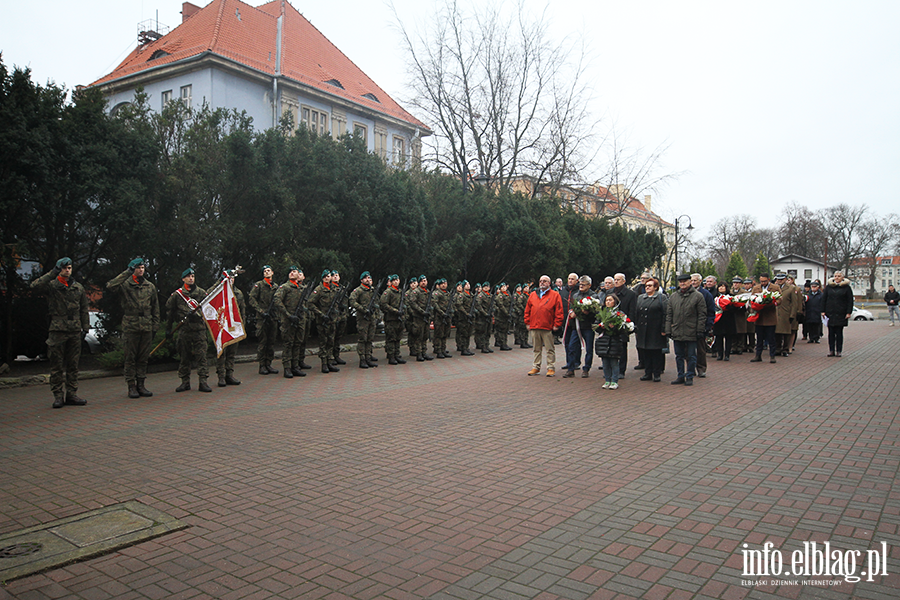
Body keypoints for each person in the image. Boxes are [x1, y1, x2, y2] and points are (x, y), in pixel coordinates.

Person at [31, 257, 90, 408]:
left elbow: (84, 308)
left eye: (69, 268)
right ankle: (58, 395)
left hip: (74, 329)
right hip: (58, 329)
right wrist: (53, 272)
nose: (67, 270)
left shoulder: (78, 287)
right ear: (59, 269)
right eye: (64, 268)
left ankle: (72, 394)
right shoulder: (52, 285)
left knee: (73, 365)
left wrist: (85, 327)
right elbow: (34, 286)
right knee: (56, 365)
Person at [106, 258, 160, 398]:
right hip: (131, 324)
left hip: (146, 324)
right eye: (138, 268)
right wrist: (126, 273)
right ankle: (131, 386)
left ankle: (141, 384)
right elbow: (110, 286)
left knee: (143, 358)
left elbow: (155, 308)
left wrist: (155, 325)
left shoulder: (150, 286)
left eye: (142, 267)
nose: (141, 270)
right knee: (130, 357)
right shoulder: (125, 284)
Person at [165, 268, 211, 392]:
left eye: (193, 276)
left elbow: (208, 309)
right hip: (184, 330)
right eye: (188, 276)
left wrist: (198, 315)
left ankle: (203, 381)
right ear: (183, 279)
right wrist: (168, 329)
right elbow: (170, 312)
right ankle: (185, 382)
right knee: (184, 356)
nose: (191, 278)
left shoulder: (201, 293)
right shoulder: (177, 295)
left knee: (202, 356)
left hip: (199, 330)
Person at [665, 273, 706, 386]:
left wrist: (700, 330)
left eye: (685, 281)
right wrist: (668, 329)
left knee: (692, 355)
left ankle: (690, 376)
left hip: (691, 330)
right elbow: (669, 314)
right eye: (681, 282)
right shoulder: (674, 296)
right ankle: (680, 376)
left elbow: (702, 315)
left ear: (690, 282)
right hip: (677, 330)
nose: (682, 283)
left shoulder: (698, 296)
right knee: (679, 356)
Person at [524, 275, 564, 377]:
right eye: (541, 281)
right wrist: (527, 322)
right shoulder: (533, 294)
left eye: (545, 281)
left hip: (547, 327)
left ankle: (551, 368)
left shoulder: (555, 295)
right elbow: (527, 310)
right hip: (534, 326)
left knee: (549, 349)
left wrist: (557, 324)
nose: (542, 282)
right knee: (536, 348)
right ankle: (536, 367)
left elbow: (559, 311)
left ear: (549, 283)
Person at [273, 266, 307, 378]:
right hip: (288, 320)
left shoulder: (301, 288)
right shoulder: (285, 287)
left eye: (295, 271)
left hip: (299, 319)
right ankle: (287, 368)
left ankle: (295, 366)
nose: (292, 273)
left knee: (297, 343)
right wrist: (287, 314)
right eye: (291, 272)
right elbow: (277, 300)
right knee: (288, 344)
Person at [594, 293, 631, 390]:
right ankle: (607, 380)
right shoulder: (602, 313)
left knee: (614, 362)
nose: (608, 302)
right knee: (605, 363)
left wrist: (614, 328)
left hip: (615, 341)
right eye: (606, 300)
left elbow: (623, 328)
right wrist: (600, 327)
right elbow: (596, 327)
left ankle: (614, 380)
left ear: (615, 301)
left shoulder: (619, 313)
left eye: (610, 300)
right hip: (604, 341)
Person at [564, 275, 598, 378]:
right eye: (580, 284)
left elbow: (596, 312)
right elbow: (573, 308)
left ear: (589, 285)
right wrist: (573, 313)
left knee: (588, 349)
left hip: (588, 326)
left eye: (584, 285)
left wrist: (588, 312)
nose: (581, 286)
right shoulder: (575, 295)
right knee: (571, 347)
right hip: (576, 326)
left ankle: (586, 369)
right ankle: (571, 368)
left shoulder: (594, 296)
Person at [248, 265, 280, 374]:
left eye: (268, 271)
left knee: (271, 342)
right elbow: (252, 299)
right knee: (263, 342)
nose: (267, 272)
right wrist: (261, 311)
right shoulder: (259, 285)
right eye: (265, 271)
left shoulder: (275, 287)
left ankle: (269, 364)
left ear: (272, 272)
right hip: (262, 318)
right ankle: (262, 365)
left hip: (273, 317)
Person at [635, 277, 668, 382]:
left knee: (656, 352)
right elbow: (637, 313)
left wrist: (664, 329)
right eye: (646, 286)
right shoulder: (641, 298)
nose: (647, 288)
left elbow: (665, 314)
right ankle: (647, 373)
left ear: (655, 287)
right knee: (645, 351)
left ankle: (657, 373)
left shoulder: (661, 298)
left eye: (650, 286)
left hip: (656, 329)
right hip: (643, 330)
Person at [215, 273, 245, 387]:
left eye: (232, 278)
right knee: (221, 352)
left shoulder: (238, 293)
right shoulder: (217, 292)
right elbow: (208, 295)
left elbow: (242, 311)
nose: (231, 280)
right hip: (222, 326)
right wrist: (219, 284)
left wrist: (242, 327)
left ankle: (229, 374)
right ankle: (221, 376)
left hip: (234, 327)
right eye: (228, 278)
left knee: (232, 353)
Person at [309, 270, 340, 373]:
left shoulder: (333, 289)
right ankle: (324, 363)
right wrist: (321, 314)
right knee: (323, 342)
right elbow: (310, 303)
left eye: (329, 276)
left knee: (331, 342)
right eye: (325, 277)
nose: (327, 278)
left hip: (332, 319)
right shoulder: (319, 290)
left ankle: (330, 362)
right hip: (322, 321)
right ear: (322, 278)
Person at [349, 271, 379, 368]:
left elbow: (377, 302)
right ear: (362, 280)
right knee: (363, 338)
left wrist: (375, 311)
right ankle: (362, 359)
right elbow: (352, 301)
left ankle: (368, 357)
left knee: (370, 338)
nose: (368, 280)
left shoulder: (372, 290)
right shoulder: (358, 290)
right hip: (363, 318)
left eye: (369, 278)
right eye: (365, 278)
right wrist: (363, 309)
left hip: (371, 317)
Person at [822, 270, 854, 357]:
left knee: (839, 333)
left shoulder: (846, 288)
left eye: (839, 276)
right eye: (835, 276)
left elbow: (850, 301)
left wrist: (848, 312)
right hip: (830, 313)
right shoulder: (828, 287)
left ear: (842, 278)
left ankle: (839, 350)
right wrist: (823, 311)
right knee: (831, 333)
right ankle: (831, 350)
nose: (837, 277)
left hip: (841, 313)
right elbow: (824, 299)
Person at [750, 273, 780, 364]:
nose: (763, 283)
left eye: (765, 281)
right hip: (759, 316)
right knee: (759, 338)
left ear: (768, 280)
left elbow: (779, 298)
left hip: (770, 316)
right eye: (761, 281)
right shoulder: (756, 288)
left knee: (771, 338)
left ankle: (772, 356)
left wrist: (774, 302)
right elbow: (752, 299)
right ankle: (758, 355)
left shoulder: (775, 288)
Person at [690, 273, 716, 378]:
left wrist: (708, 325)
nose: (693, 282)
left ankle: (701, 368)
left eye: (695, 280)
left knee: (700, 349)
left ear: (700, 281)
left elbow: (711, 311)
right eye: (691, 280)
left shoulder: (706, 294)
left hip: (701, 325)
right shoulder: (686, 293)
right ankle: (690, 369)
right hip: (688, 326)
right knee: (688, 350)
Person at [612, 273, 637, 377]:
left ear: (624, 281)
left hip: (623, 324)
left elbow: (633, 311)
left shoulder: (631, 294)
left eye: (618, 280)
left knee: (622, 348)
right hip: (611, 325)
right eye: (615, 279)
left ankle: (621, 370)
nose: (616, 281)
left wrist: (628, 323)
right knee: (611, 348)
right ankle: (612, 370)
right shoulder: (610, 292)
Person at [380, 275, 407, 364]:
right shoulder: (388, 292)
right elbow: (383, 304)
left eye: (397, 280)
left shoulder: (400, 292)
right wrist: (395, 311)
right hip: (391, 319)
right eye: (394, 280)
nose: (396, 282)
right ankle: (391, 356)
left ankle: (397, 355)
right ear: (391, 282)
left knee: (398, 338)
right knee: (391, 338)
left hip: (399, 319)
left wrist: (403, 312)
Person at [409, 275, 433, 361]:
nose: (424, 282)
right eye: (422, 281)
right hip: (419, 317)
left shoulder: (428, 292)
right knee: (419, 336)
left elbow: (431, 303)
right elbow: (412, 303)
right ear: (419, 283)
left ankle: (424, 352)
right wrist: (422, 311)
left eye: (425, 281)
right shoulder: (416, 292)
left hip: (426, 317)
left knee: (425, 336)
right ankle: (418, 353)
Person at [774, 273, 798, 356]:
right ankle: (777, 348)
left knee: (786, 332)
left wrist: (792, 315)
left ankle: (785, 349)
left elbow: (794, 303)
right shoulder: (774, 288)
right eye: (778, 279)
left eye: (781, 279)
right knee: (776, 332)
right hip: (776, 313)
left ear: (785, 279)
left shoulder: (791, 288)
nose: (779, 281)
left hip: (786, 313)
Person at [712, 282, 737, 361]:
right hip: (718, 320)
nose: (721, 288)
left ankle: (727, 355)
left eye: (723, 287)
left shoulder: (731, 297)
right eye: (720, 287)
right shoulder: (715, 297)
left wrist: (728, 307)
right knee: (719, 338)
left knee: (728, 338)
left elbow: (735, 308)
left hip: (728, 319)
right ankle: (720, 354)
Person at [559, 273, 579, 370]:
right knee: (566, 342)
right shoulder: (563, 291)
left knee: (575, 343)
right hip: (565, 321)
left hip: (576, 322)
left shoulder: (579, 291)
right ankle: (569, 362)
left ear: (577, 281)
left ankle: (576, 362)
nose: (570, 281)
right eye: (569, 279)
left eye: (572, 279)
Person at [431, 278, 453, 358]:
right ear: (439, 285)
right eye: (442, 284)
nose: (444, 285)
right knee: (439, 334)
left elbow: (451, 304)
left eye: (445, 283)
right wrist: (442, 313)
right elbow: (435, 304)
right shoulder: (436, 293)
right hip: (439, 316)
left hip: (447, 316)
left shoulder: (448, 293)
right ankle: (438, 350)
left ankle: (443, 349)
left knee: (445, 334)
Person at [474, 282, 494, 353]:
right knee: (483, 331)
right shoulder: (481, 295)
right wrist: (485, 313)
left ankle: (487, 345)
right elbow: (478, 305)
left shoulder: (490, 296)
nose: (486, 287)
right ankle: (483, 346)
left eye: (487, 286)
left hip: (489, 316)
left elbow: (493, 305)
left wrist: (492, 312)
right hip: (483, 316)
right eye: (484, 286)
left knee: (488, 332)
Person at [729, 277, 747, 355]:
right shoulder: (730, 292)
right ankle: (733, 347)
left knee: (741, 331)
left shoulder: (744, 292)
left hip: (741, 314)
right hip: (732, 314)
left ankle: (740, 347)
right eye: (734, 283)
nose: (735, 284)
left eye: (737, 283)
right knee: (733, 331)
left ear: (740, 284)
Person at [492, 282, 513, 351]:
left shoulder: (507, 295)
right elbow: (501, 305)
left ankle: (505, 343)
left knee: (506, 330)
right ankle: (502, 344)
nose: (504, 288)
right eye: (502, 287)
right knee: (501, 330)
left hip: (507, 315)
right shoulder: (500, 296)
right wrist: (506, 313)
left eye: (505, 287)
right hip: (501, 315)